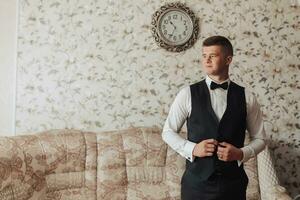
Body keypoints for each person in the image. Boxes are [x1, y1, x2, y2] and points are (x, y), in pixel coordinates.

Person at [162, 35, 266, 200]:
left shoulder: (247, 97)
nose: (207, 60)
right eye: (204, 56)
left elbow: (260, 139)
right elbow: (167, 132)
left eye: (213, 55)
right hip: (196, 185)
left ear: (228, 59)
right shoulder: (187, 94)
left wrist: (240, 153)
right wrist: (193, 149)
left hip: (233, 185)